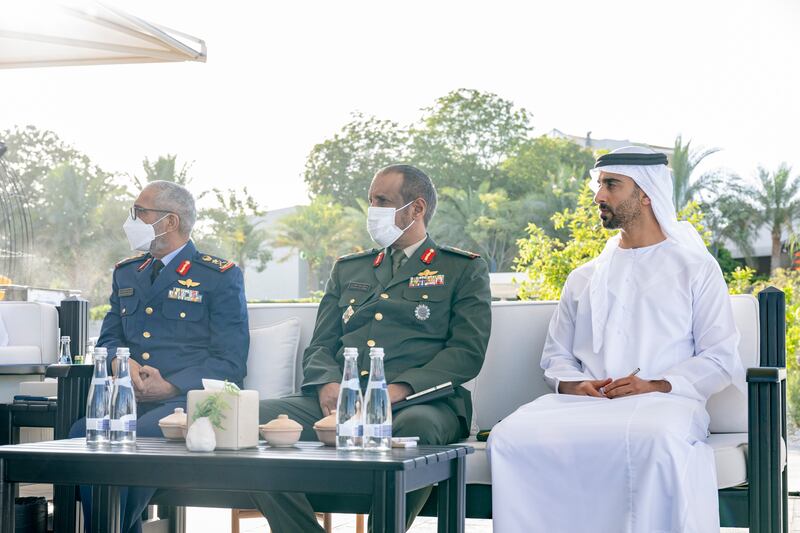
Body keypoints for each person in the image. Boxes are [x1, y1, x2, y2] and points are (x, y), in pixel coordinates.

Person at [489, 146, 745, 533]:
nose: (598, 197)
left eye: (611, 185)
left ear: (646, 193)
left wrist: (656, 383)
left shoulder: (696, 268)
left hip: (664, 403)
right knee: (511, 435)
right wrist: (576, 383)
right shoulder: (584, 276)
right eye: (598, 185)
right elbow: (556, 356)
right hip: (584, 406)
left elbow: (720, 356)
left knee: (653, 438)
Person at [251, 164, 492, 532]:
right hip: (342, 400)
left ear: (417, 208)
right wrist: (328, 384)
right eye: (371, 200)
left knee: (412, 430)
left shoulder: (461, 269)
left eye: (383, 201)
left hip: (420, 403)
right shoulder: (350, 269)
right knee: (250, 417)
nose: (372, 210)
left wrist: (396, 391)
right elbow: (320, 346)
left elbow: (466, 352)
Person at [69, 180, 249, 533]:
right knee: (82, 433)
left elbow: (231, 362)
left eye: (139, 212)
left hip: (188, 402)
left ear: (169, 222)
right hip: (128, 400)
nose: (131, 220)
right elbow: (108, 338)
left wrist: (170, 386)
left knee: (135, 440)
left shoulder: (218, 277)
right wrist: (123, 363)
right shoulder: (127, 272)